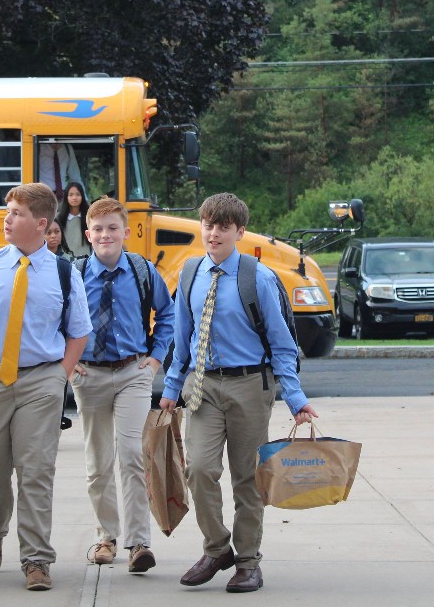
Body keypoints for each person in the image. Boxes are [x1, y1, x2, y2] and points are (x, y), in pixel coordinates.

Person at [159, 192, 318, 593]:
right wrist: (172, 386)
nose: (213, 233)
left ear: (239, 232)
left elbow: (282, 345)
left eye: (223, 227)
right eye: (208, 224)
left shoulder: (258, 277)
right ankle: (217, 549)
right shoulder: (191, 272)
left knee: (247, 478)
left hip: (249, 385)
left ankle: (248, 561)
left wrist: (296, 398)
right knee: (199, 469)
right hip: (203, 384)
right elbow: (182, 336)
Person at [0, 182, 92, 592]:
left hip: (39, 381)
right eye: (7, 211)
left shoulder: (64, 273)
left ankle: (37, 559)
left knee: (36, 471)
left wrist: (59, 375)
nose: (7, 219)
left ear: (41, 223)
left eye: (16, 213)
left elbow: (78, 333)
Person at [71, 198, 174, 573]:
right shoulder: (75, 274)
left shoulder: (144, 272)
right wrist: (69, 364)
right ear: (87, 235)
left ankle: (138, 542)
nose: (105, 235)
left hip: (133, 372)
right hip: (90, 375)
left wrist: (156, 358)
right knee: (98, 462)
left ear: (126, 233)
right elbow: (53, 319)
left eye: (113, 228)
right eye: (97, 229)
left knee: (131, 453)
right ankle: (107, 537)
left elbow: (168, 315)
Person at [55, 181, 92, 258]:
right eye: (71, 195)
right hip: (65, 260)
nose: (74, 198)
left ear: (82, 196)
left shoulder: (90, 217)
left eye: (78, 194)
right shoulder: (59, 218)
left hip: (86, 259)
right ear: (66, 197)